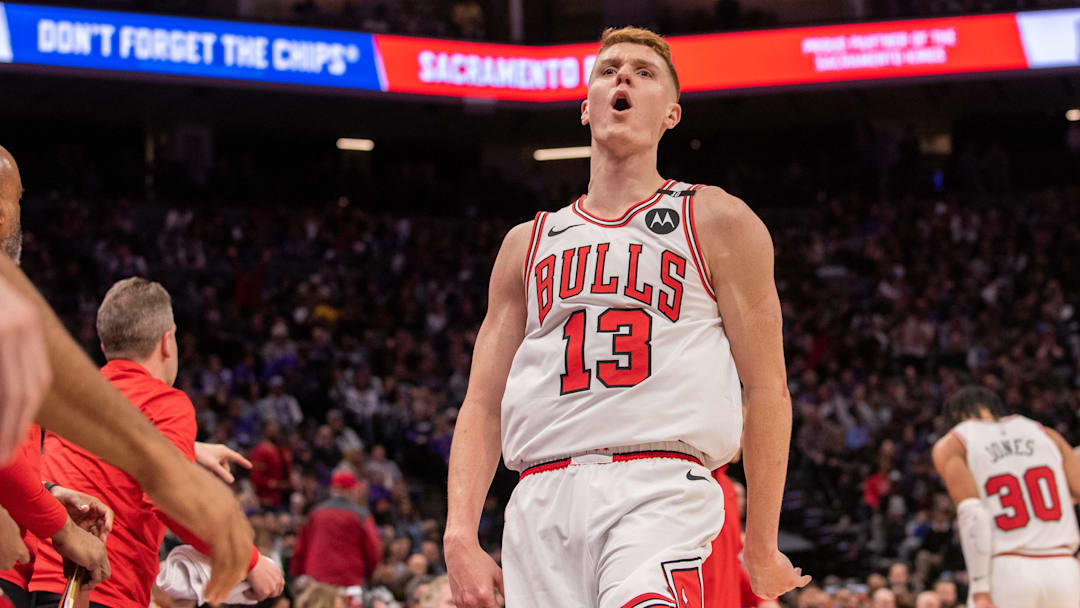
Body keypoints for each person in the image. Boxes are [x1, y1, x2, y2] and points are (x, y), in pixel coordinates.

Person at [444, 26, 808, 608]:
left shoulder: (716, 219)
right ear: (585, 107)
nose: (623, 79)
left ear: (671, 114)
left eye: (644, 73)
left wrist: (760, 543)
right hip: (540, 498)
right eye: (609, 70)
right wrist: (460, 532)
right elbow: (483, 403)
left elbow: (768, 389)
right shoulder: (526, 243)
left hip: (658, 484)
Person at [0, 146, 253, 604]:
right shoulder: (164, 402)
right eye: (18, 200)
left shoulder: (81, 398)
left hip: (39, 580)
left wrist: (50, 493)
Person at [28, 277, 284, 608]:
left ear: (105, 347)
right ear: (167, 342)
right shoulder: (165, 402)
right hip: (103, 591)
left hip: (45, 585)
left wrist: (190, 449)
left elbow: (110, 443)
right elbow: (173, 502)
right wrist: (250, 561)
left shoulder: (75, 397)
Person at [932, 386, 1080, 608]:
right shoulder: (1046, 433)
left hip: (1007, 567)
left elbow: (973, 514)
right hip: (1063, 567)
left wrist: (980, 588)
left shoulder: (955, 441)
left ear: (955, 416)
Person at [291, 471, 382, 588]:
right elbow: (374, 550)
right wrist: (369, 575)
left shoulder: (314, 513)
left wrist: (297, 573)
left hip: (317, 580)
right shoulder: (361, 515)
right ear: (351, 490)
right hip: (349, 581)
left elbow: (300, 548)